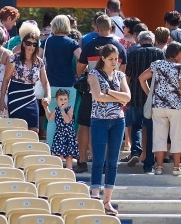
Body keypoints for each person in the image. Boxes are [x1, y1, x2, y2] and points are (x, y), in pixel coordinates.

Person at [76, 15, 127, 173]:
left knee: (84, 125)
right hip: (113, 94)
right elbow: (122, 73)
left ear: (96, 28)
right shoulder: (119, 47)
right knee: (108, 127)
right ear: (112, 27)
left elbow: (79, 70)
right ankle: (105, 162)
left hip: (91, 91)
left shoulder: (89, 46)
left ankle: (82, 161)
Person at [88, 44, 130, 216]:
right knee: (98, 160)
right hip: (99, 120)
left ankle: (107, 200)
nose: (114, 62)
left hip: (118, 121)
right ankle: (96, 197)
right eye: (111, 59)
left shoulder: (120, 75)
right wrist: (117, 96)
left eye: (116, 59)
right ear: (103, 58)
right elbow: (98, 96)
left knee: (113, 162)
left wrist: (109, 92)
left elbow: (127, 98)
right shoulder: (94, 74)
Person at [139, 42, 181, 175]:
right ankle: (176, 168)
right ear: (175, 53)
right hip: (176, 106)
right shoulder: (180, 68)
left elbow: (141, 78)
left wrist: (150, 94)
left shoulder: (156, 64)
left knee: (159, 136)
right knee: (177, 136)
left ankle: (159, 167)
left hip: (158, 106)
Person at [125, 30, 164, 171]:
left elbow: (127, 76)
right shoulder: (159, 54)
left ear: (139, 41)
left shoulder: (133, 53)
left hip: (135, 95)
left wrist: (126, 95)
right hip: (153, 97)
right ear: (152, 41)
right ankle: (148, 165)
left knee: (136, 126)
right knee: (152, 130)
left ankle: (135, 151)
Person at [0, 22, 50, 131]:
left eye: (34, 44)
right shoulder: (14, 58)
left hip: (31, 96)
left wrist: (48, 96)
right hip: (15, 95)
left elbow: (45, 82)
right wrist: (1, 100)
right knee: (16, 130)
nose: (31, 46)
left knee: (34, 130)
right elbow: (6, 79)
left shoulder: (39, 62)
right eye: (28, 43)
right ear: (23, 44)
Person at [43, 14, 81, 149]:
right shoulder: (72, 43)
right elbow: (82, 59)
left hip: (50, 84)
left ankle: (52, 150)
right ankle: (65, 150)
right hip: (68, 85)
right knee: (67, 119)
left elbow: (39, 60)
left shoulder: (47, 42)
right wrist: (78, 72)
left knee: (52, 119)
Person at [43, 88, 79, 169]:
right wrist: (46, 108)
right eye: (61, 99)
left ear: (68, 100)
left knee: (69, 158)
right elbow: (49, 118)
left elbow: (67, 120)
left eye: (65, 99)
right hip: (59, 135)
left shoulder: (69, 109)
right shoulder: (56, 110)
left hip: (68, 136)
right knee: (59, 156)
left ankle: (69, 174)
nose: (63, 101)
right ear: (56, 100)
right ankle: (59, 173)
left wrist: (62, 110)